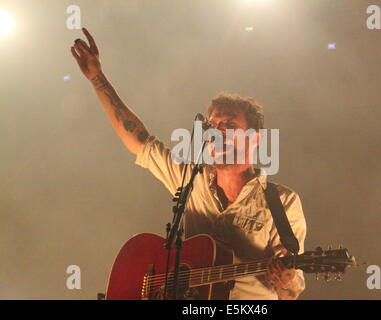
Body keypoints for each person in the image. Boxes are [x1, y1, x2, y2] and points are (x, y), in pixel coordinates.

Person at [71, 27, 307, 300]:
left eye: (228, 126)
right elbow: (138, 140)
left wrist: (286, 277)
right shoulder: (190, 178)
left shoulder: (282, 201)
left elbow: (292, 291)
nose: (216, 133)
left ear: (254, 139)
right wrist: (97, 78)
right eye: (213, 126)